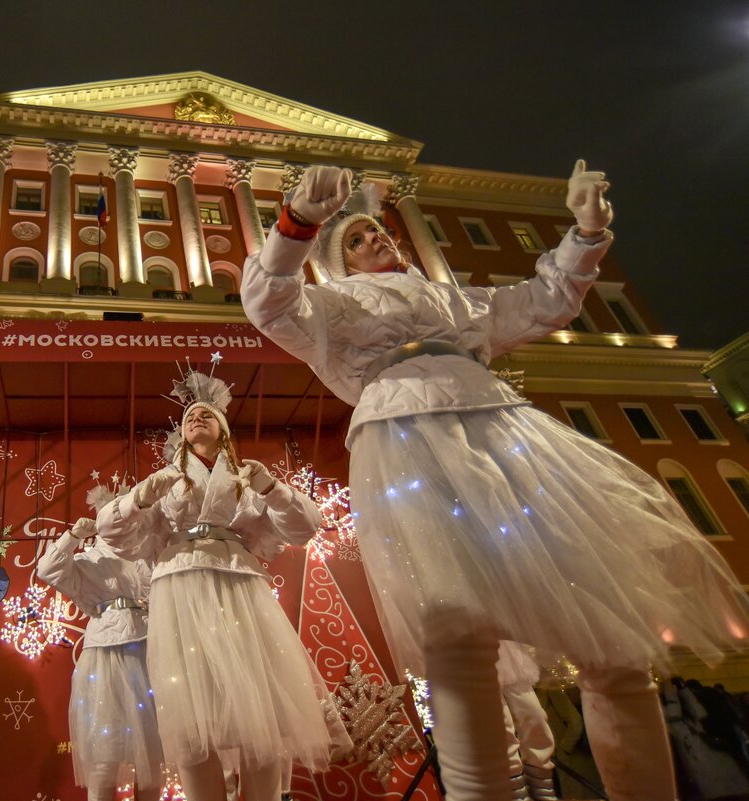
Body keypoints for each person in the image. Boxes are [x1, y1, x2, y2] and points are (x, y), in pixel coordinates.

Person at [240, 163, 749, 801]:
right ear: (341, 262)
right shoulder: (331, 306)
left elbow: (544, 300)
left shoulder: (457, 299)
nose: (378, 241)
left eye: (379, 233)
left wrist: (587, 234)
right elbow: (268, 301)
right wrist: (298, 226)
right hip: (405, 437)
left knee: (607, 629)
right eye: (360, 239)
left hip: (502, 431)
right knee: (457, 635)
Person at [97, 368, 351, 801]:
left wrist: (273, 490)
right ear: (180, 435)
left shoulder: (247, 479)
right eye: (189, 416)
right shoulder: (165, 483)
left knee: (261, 703)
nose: (196, 418)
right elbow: (114, 534)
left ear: (225, 431)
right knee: (192, 709)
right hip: (180, 586)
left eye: (206, 415)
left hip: (238, 584)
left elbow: (304, 529)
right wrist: (139, 496)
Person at [36, 515, 162, 801]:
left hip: (148, 651)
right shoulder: (88, 559)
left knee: (152, 759)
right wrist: (73, 535)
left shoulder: (146, 554)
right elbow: (47, 569)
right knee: (105, 756)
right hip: (106, 656)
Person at [496, 642, 557, 800]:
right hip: (472, 652)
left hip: (504, 650)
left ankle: (544, 790)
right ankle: (517, 794)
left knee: (535, 715)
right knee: (501, 728)